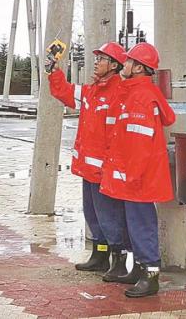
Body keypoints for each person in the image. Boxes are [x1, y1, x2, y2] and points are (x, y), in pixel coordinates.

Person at [99, 42, 176, 298]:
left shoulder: (142, 97)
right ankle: (139, 269)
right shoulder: (134, 91)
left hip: (138, 178)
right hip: (131, 176)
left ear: (139, 67)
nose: (124, 64)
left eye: (129, 62)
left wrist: (132, 175)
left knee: (142, 225)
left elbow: (140, 141)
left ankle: (150, 275)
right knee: (133, 224)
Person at [47, 41, 127, 273]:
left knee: (109, 216)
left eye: (101, 59)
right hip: (88, 169)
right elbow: (65, 92)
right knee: (92, 214)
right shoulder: (92, 91)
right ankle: (100, 255)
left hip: (106, 171)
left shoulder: (119, 92)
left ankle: (119, 261)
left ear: (114, 65)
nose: (96, 63)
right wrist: (54, 71)